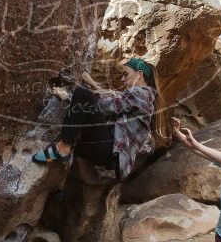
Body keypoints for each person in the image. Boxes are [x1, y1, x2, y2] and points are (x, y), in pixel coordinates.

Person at [31, 58, 167, 180]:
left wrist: (68, 96)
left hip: (107, 149)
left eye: (126, 74)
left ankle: (63, 148)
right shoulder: (140, 97)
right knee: (74, 132)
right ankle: (63, 152)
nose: (122, 79)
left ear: (139, 74)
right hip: (103, 155)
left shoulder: (142, 94)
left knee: (82, 94)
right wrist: (93, 85)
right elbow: (111, 103)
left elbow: (103, 104)